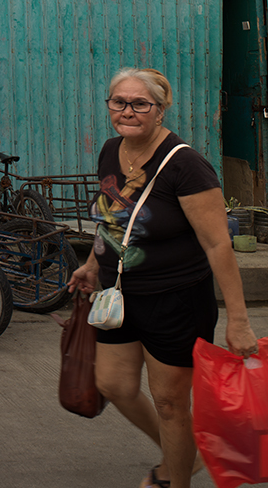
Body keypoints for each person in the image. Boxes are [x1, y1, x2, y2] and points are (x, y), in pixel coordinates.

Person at [67, 67, 257, 488]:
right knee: (113, 384)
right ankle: (184, 455)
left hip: (176, 300)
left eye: (140, 104)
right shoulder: (110, 150)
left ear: (160, 109)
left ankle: (175, 476)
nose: (128, 111)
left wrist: (239, 320)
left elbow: (217, 245)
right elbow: (114, 219)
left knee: (170, 403)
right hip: (118, 295)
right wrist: (93, 265)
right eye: (119, 102)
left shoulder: (186, 165)